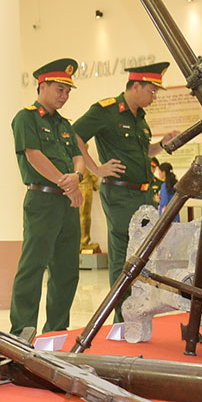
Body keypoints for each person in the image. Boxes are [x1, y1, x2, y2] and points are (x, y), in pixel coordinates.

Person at [9, 59, 120, 335]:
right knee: (32, 267)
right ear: (42, 86)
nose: (64, 95)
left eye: (68, 91)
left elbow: (78, 157)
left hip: (67, 201)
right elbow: (33, 155)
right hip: (42, 200)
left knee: (66, 270)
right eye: (59, 89)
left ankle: (56, 329)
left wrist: (77, 177)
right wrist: (65, 180)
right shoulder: (27, 118)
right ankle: (22, 329)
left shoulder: (64, 124)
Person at [73, 62, 179, 325]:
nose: (154, 97)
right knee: (123, 257)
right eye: (152, 91)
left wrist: (161, 145)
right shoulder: (106, 111)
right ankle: (121, 320)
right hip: (119, 195)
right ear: (135, 86)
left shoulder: (140, 118)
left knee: (142, 255)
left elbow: (143, 154)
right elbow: (74, 135)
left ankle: (136, 313)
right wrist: (96, 169)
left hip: (143, 194)